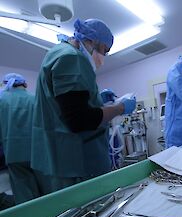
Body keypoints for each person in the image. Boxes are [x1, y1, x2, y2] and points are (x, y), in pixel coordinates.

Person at [31, 18, 136, 194]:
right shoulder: (71, 58)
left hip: (60, 159)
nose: (104, 57)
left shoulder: (58, 53)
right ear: (92, 41)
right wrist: (120, 108)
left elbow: (65, 105)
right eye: (104, 50)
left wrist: (97, 99)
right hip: (75, 162)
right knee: (87, 216)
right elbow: (79, 119)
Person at [0, 73, 40, 204]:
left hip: (14, 156)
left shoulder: (2, 99)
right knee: (45, 192)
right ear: (25, 85)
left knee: (26, 198)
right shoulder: (36, 99)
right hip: (40, 155)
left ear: (6, 84)